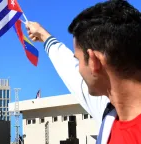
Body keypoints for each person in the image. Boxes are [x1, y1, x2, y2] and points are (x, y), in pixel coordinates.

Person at [25, 0, 141, 144]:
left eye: (78, 60)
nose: (78, 68)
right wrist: (43, 36)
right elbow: (69, 69)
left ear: (94, 62)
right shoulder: (110, 112)